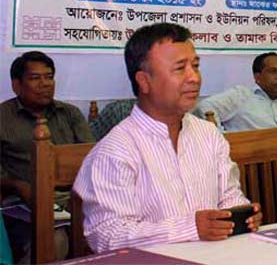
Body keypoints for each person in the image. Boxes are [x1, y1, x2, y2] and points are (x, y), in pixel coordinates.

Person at [73, 23, 261, 253]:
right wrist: (190, 228)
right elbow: (108, 236)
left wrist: (240, 216)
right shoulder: (115, 151)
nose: (194, 78)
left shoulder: (208, 133)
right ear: (144, 81)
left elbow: (229, 197)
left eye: (195, 66)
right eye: (180, 68)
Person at [1, 51, 95, 262]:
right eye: (35, 78)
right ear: (17, 85)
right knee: (55, 240)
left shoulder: (70, 113)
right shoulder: (3, 118)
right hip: (22, 202)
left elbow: (91, 157)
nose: (45, 84)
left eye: (49, 77)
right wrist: (18, 186)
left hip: (74, 198)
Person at [196, 52, 277, 140]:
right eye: (273, 72)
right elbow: (204, 107)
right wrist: (223, 138)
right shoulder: (241, 96)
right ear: (257, 77)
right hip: (250, 158)